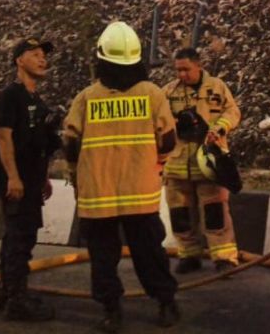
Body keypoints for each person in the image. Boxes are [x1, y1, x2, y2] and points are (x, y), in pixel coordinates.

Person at [64, 22, 180, 331]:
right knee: (149, 254)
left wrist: (77, 177)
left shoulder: (86, 98)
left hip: (97, 196)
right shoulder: (153, 95)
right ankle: (166, 304)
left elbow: (70, 144)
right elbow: (167, 141)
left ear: (102, 59)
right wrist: (156, 165)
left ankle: (111, 311)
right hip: (141, 194)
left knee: (103, 258)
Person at [0, 37, 59, 322]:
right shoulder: (11, 96)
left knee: (16, 236)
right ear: (19, 60)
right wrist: (14, 178)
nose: (42, 59)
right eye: (34, 54)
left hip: (31, 180)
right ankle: (17, 301)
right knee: (21, 239)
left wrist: (42, 178)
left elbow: (38, 144)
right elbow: (3, 137)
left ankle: (9, 291)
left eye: (44, 55)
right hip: (16, 181)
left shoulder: (36, 101)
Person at [162, 47, 242, 273]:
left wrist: (219, 128)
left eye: (186, 69)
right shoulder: (168, 92)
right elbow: (156, 120)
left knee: (215, 212)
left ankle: (224, 257)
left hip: (208, 162)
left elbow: (232, 112)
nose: (182, 75)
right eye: (178, 70)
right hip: (177, 164)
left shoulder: (217, 88)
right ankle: (189, 255)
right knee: (180, 213)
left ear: (199, 65)